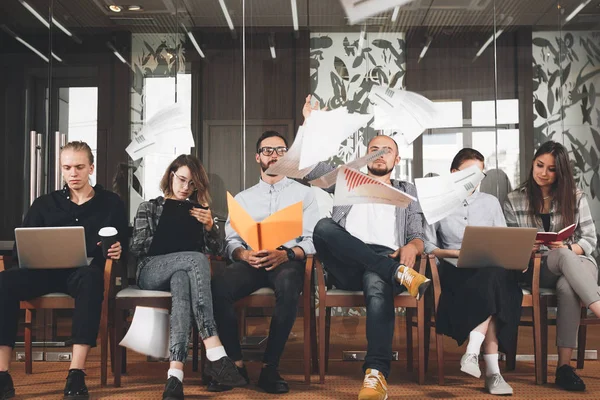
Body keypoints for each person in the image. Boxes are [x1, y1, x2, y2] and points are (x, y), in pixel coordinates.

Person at [303, 96, 431, 400]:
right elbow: (309, 169)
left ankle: (375, 374)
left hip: (385, 261)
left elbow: (417, 234)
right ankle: (398, 273)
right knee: (322, 226)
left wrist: (413, 246)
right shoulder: (347, 180)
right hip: (349, 264)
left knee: (376, 279)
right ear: (365, 156)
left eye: (388, 151)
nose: (381, 155)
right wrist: (311, 123)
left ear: (396, 161)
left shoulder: (407, 191)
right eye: (375, 149)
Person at [0, 141, 128, 400]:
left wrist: (118, 251)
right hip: (41, 273)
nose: (73, 173)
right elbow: (20, 249)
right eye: (67, 167)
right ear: (61, 169)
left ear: (91, 167)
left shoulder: (111, 203)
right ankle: (2, 373)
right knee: (4, 282)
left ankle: (76, 373)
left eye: (79, 167)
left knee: (92, 279)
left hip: (83, 274)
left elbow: (122, 245)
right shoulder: (44, 204)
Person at [210, 130, 320, 394]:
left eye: (281, 151)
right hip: (252, 260)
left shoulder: (305, 195)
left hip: (286, 260)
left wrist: (288, 253)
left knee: (290, 283)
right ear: (258, 157)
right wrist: (242, 254)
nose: (275, 156)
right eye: (268, 151)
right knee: (218, 286)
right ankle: (236, 364)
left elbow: (314, 239)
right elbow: (231, 242)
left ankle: (270, 367)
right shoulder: (244, 198)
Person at [130, 154, 246, 400]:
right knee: (195, 258)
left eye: (192, 184)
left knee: (183, 280)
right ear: (170, 176)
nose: (186, 188)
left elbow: (218, 251)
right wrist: (168, 231)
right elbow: (137, 247)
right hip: (150, 270)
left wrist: (209, 227)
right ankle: (214, 350)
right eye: (182, 180)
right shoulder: (149, 207)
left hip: (183, 273)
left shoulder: (198, 211)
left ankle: (175, 376)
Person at [504, 140, 600, 392]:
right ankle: (598, 307)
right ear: (532, 163)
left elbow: (589, 239)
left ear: (561, 172)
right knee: (563, 260)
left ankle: (564, 368)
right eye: (539, 165)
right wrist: (528, 247)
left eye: (551, 169)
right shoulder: (514, 199)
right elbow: (509, 245)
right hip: (537, 269)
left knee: (568, 283)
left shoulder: (575, 196)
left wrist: (568, 248)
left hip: (579, 263)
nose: (543, 173)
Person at [425, 148, 520, 396]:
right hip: (455, 273)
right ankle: (493, 372)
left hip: (490, 271)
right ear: (454, 173)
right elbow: (428, 247)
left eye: (480, 175)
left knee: (492, 277)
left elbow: (501, 240)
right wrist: (455, 254)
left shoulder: (490, 202)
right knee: (492, 285)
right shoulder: (437, 204)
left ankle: (472, 352)